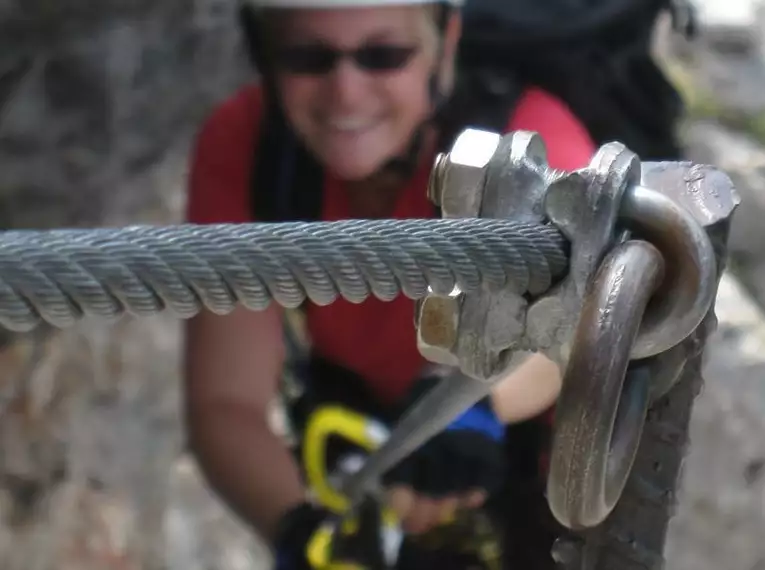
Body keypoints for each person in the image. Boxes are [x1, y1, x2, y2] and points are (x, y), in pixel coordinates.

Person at [183, 0, 596, 567]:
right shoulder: (247, 147)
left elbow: (571, 325)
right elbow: (226, 402)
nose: (346, 93)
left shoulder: (531, 150)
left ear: (444, 45)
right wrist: (304, 538)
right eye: (308, 57)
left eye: (384, 55)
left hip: (528, 462)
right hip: (358, 445)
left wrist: (479, 407)